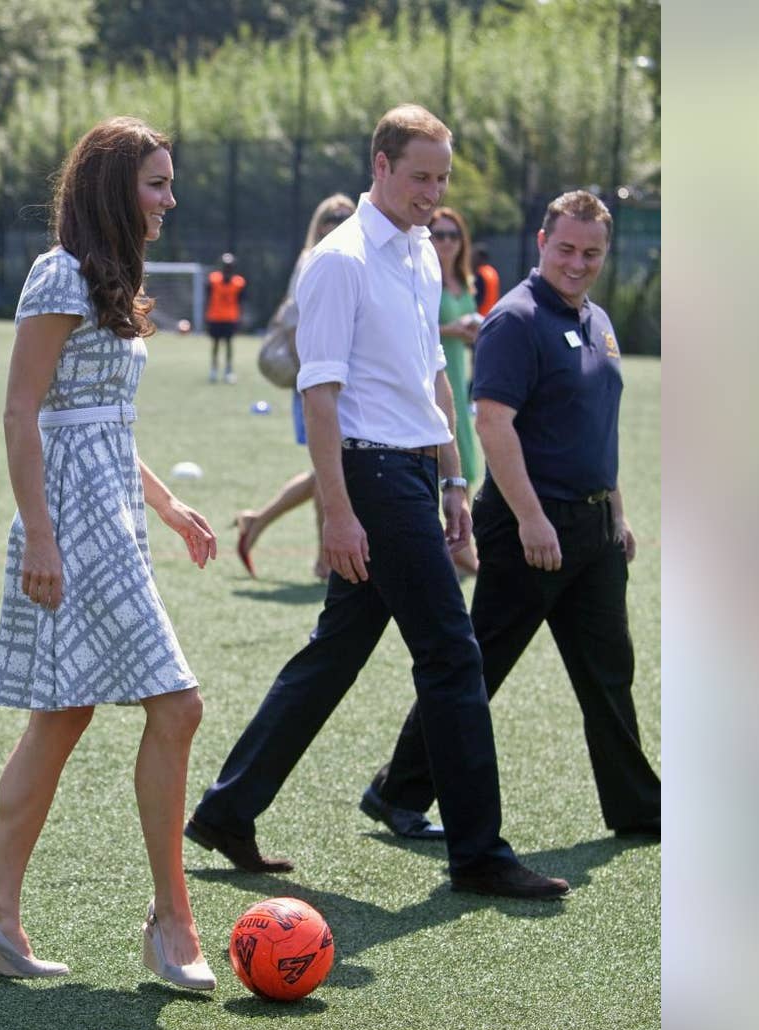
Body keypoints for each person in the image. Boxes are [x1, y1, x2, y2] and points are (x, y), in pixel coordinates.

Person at [185, 104, 568, 901]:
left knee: (336, 651)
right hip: (371, 478)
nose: (433, 193)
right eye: (420, 175)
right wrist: (337, 512)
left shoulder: (423, 254)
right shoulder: (339, 260)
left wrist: (457, 477)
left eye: (442, 179)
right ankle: (479, 855)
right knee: (452, 653)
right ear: (381, 167)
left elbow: (430, 373)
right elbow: (319, 395)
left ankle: (227, 809)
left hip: (414, 476)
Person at [0, 116, 221, 991]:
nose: (169, 200)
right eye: (156, 183)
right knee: (177, 705)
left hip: (116, 511)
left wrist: (170, 503)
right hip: (70, 522)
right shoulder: (59, 273)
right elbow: (21, 411)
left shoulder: (114, 278)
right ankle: (172, 919)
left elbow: (103, 418)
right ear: (115, 187)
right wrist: (39, 533)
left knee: (63, 716)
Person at [365, 191, 661, 843]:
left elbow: (597, 430)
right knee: (480, 668)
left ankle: (639, 807)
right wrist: (531, 519)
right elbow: (492, 423)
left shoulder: (599, 322)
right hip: (530, 526)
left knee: (610, 671)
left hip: (593, 530)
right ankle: (397, 790)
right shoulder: (515, 320)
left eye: (591, 252)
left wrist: (618, 511)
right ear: (541, 242)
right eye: (566, 248)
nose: (578, 263)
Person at [232, 193, 356, 580]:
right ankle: (324, 557)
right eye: (330, 217)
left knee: (326, 468)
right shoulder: (315, 259)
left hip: (334, 377)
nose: (337, 223)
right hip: (316, 378)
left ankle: (258, 521)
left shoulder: (347, 257)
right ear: (317, 224)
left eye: (346, 216)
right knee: (329, 467)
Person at [430, 206, 484, 576]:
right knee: (440, 465)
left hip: (459, 380)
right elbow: (409, 332)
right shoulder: (423, 276)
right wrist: (454, 329)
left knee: (468, 462)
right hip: (431, 378)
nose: (447, 242)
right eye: (439, 234)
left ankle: (455, 542)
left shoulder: (463, 281)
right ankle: (451, 549)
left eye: (453, 234)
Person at [204, 252, 245, 383]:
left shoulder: (239, 282)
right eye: (226, 265)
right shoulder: (213, 279)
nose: (228, 268)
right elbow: (208, 297)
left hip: (230, 317)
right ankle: (214, 369)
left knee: (228, 344)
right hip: (215, 316)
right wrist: (206, 315)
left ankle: (228, 370)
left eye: (230, 266)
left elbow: (240, 301)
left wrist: (240, 317)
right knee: (215, 344)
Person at [473, 243, 502, 316]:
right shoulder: (492, 272)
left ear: (479, 257)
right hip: (491, 314)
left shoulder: (480, 273)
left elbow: (477, 299)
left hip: (480, 316)